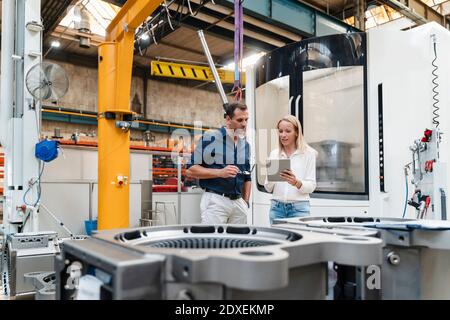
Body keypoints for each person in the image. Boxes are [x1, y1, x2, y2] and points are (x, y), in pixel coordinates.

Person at [186, 102, 251, 224]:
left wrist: (245, 201)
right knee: (213, 241)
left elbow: (247, 176)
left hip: (238, 204)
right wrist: (220, 172)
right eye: (240, 120)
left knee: (238, 242)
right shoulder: (210, 139)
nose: (244, 124)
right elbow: (190, 170)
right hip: (216, 201)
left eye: (246, 120)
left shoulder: (245, 145)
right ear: (228, 119)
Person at [264, 115, 316, 224]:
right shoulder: (274, 154)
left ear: (296, 132)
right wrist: (273, 176)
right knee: (277, 241)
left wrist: (296, 183)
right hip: (277, 208)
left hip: (299, 208)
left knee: (299, 240)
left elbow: (311, 186)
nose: (283, 135)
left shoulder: (308, 153)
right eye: (281, 131)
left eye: (288, 131)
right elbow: (268, 188)